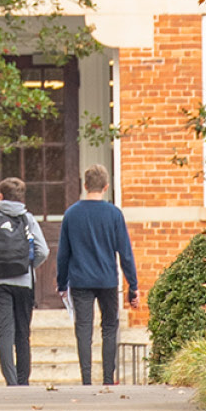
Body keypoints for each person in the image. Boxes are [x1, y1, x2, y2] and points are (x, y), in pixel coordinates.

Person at [55, 164, 139, 385]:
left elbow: (63, 254)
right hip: (107, 279)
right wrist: (133, 285)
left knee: (83, 328)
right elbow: (126, 253)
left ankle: (86, 379)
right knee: (109, 326)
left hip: (80, 280)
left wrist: (62, 283)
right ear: (106, 187)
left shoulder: (71, 214)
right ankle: (108, 379)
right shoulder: (113, 214)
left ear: (85, 185)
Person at [0, 176, 47, 386]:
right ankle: (23, 381)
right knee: (23, 333)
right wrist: (27, 266)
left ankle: (11, 382)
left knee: (4, 333)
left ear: (0, 196)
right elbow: (43, 251)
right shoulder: (28, 219)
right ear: (21, 197)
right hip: (24, 283)